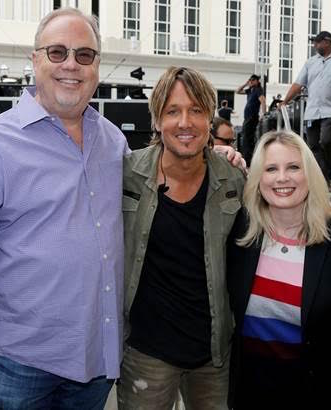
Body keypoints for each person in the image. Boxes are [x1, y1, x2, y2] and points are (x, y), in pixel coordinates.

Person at [0, 8, 128, 409]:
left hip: (95, 364)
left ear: (97, 67)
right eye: (57, 52)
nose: (71, 64)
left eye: (84, 55)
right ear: (34, 60)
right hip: (19, 368)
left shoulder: (114, 144)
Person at [118, 66, 246, 409]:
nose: (185, 122)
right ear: (157, 121)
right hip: (146, 351)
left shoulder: (234, 179)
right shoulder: (126, 174)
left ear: (210, 119)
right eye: (173, 111)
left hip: (214, 353)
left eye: (196, 111)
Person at [227, 130, 331, 409]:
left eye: (293, 167)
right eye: (271, 168)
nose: (282, 178)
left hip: (319, 394)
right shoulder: (242, 234)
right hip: (251, 394)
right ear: (259, 178)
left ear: (310, 174)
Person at [280, 31, 331, 181]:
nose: (314, 45)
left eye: (317, 42)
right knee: (313, 146)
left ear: (327, 42)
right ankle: (323, 178)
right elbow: (298, 84)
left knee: (326, 140)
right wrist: (285, 100)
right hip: (312, 111)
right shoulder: (311, 62)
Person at [236, 74, 266, 166]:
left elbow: (263, 101)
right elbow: (238, 91)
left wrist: (263, 114)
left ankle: (248, 161)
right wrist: (246, 83)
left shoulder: (258, 90)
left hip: (252, 117)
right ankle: (248, 160)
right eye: (250, 80)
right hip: (247, 117)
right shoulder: (250, 90)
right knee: (246, 138)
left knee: (247, 139)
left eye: (253, 80)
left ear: (257, 81)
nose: (251, 81)